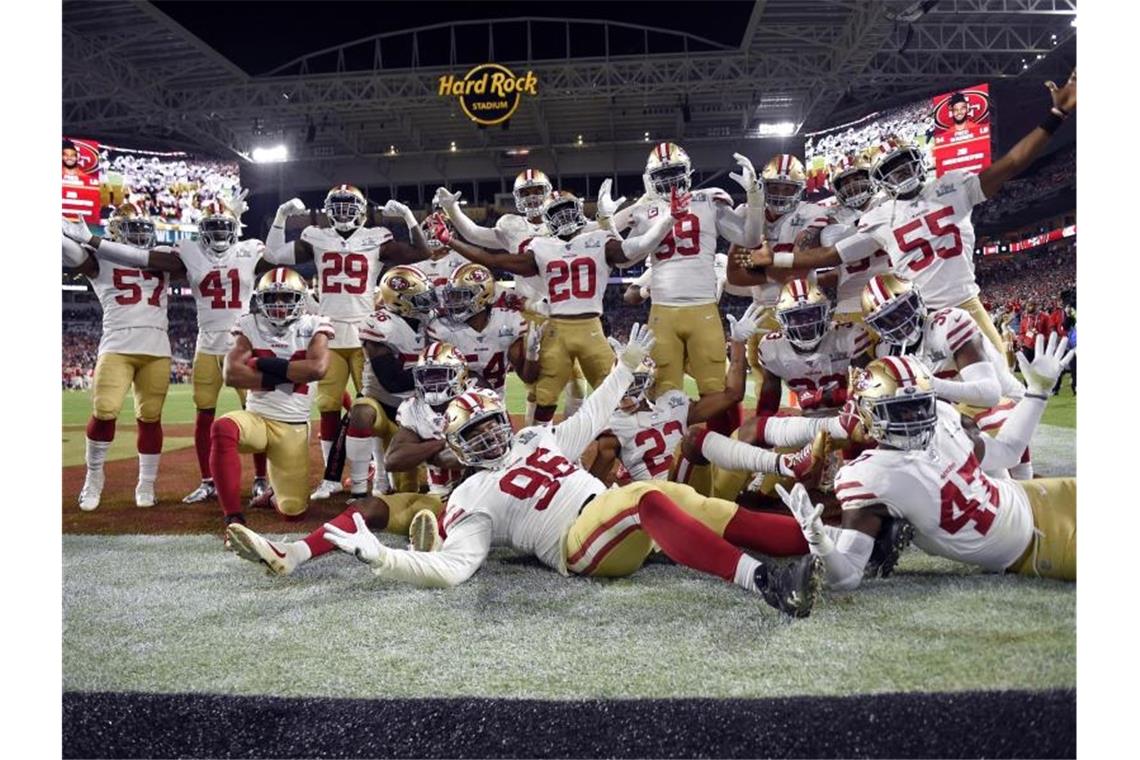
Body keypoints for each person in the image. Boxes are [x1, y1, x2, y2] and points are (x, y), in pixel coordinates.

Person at [252, 325, 823, 618]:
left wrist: (623, 369)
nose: (495, 436)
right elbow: (454, 569)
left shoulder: (535, 439)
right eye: (478, 435)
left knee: (690, 500)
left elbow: (594, 413)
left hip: (607, 518)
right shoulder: (471, 493)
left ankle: (818, 546)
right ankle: (765, 582)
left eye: (494, 423)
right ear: (457, 447)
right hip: (578, 546)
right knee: (646, 500)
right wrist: (382, 557)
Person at [749, 71, 1077, 355]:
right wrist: (774, 259)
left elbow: (1012, 163)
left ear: (918, 163)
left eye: (904, 165)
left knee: (1002, 391)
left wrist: (1054, 115)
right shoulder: (880, 217)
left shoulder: (952, 189)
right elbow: (828, 255)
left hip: (965, 303)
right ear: (881, 180)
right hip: (913, 315)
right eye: (891, 170)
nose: (900, 174)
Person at [776, 339, 1075, 591]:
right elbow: (848, 576)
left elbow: (1008, 452)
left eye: (921, 404)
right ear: (869, 414)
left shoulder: (943, 415)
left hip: (1034, 495)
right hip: (1037, 547)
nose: (916, 417)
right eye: (901, 410)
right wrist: (818, 540)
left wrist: (1037, 392)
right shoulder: (868, 476)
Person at [72, 195, 276, 504]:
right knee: (202, 415)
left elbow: (276, 256)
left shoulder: (245, 250)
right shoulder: (186, 252)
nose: (220, 234)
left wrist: (271, 219)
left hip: (242, 343)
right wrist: (90, 240)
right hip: (205, 343)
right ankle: (207, 481)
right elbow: (137, 259)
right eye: (214, 227)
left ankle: (262, 479)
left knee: (256, 412)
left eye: (225, 227)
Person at [438, 188, 674, 423]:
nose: (564, 218)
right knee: (547, 392)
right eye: (557, 213)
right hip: (558, 325)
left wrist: (663, 216)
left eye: (568, 211)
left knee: (611, 390)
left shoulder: (587, 239)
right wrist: (450, 239)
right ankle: (538, 448)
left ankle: (633, 439)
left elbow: (635, 249)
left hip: (582, 326)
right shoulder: (548, 245)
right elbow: (493, 258)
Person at [264, 186, 432, 499]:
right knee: (328, 405)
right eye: (337, 206)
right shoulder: (317, 236)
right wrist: (281, 216)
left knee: (375, 406)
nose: (343, 212)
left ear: (362, 209)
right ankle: (331, 477)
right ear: (328, 210)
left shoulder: (376, 236)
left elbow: (422, 253)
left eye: (349, 205)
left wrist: (409, 217)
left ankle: (380, 475)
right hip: (329, 331)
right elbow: (272, 255)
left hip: (366, 332)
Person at [612, 144, 764, 440]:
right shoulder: (646, 210)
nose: (669, 182)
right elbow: (625, 257)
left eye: (674, 174)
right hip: (665, 312)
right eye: (663, 175)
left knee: (716, 391)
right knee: (665, 394)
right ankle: (669, 457)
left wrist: (755, 199)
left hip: (701, 310)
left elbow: (751, 237)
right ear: (650, 180)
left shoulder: (708, 200)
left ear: (688, 174)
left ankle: (724, 460)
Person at [434, 169, 589, 425]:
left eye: (536, 190)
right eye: (525, 192)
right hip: (531, 313)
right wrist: (453, 210)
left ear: (548, 191)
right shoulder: (512, 226)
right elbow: (474, 234)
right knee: (536, 387)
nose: (531, 197)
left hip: (570, 310)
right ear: (516, 197)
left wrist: (612, 217)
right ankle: (532, 442)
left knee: (578, 388)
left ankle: (570, 445)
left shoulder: (567, 222)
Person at [62, 205, 171, 510]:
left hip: (157, 348)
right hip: (117, 346)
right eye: (130, 228)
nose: (138, 234)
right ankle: (93, 477)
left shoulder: (162, 256)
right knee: (104, 409)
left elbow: (179, 263)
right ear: (114, 231)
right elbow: (69, 250)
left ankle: (146, 484)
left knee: (150, 417)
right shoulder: (100, 262)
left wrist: (96, 242)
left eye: (142, 228)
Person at [211, 267, 332, 540]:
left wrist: (260, 364)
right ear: (260, 300)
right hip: (257, 419)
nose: (279, 305)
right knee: (223, 428)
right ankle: (233, 516)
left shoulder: (315, 324)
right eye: (272, 298)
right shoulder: (249, 323)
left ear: (300, 299)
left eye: (286, 298)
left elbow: (317, 369)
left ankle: (274, 495)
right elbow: (231, 374)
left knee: (293, 511)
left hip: (293, 427)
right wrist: (288, 372)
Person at [340, 265, 437, 498]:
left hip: (415, 411)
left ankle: (442, 482)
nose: (427, 304)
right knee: (361, 412)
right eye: (418, 298)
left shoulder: (432, 321)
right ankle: (360, 488)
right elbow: (391, 381)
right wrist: (434, 374)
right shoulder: (380, 324)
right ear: (399, 300)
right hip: (383, 404)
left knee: (406, 490)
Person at [428, 262, 538, 397]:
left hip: (495, 406)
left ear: (482, 296)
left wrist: (532, 354)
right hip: (455, 406)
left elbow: (528, 378)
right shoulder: (441, 329)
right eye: (451, 295)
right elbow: (440, 379)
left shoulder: (509, 322)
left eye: (460, 296)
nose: (452, 302)